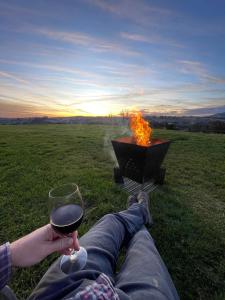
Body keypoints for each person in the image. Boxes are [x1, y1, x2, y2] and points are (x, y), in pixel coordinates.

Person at [1, 192, 179, 300]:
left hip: (55, 293)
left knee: (112, 219)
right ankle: (139, 213)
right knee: (142, 242)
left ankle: (138, 212)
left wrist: (11, 254)